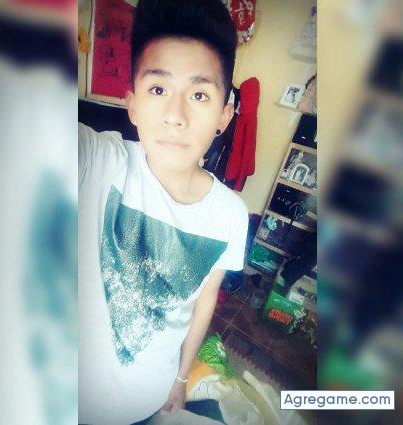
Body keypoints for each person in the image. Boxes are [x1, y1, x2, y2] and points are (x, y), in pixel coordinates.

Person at [78, 0, 249, 424]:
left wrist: (181, 376)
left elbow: (205, 298)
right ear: (132, 103)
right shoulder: (97, 161)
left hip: (147, 403)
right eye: (158, 89)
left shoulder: (231, 214)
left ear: (224, 115)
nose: (175, 116)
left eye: (199, 94)